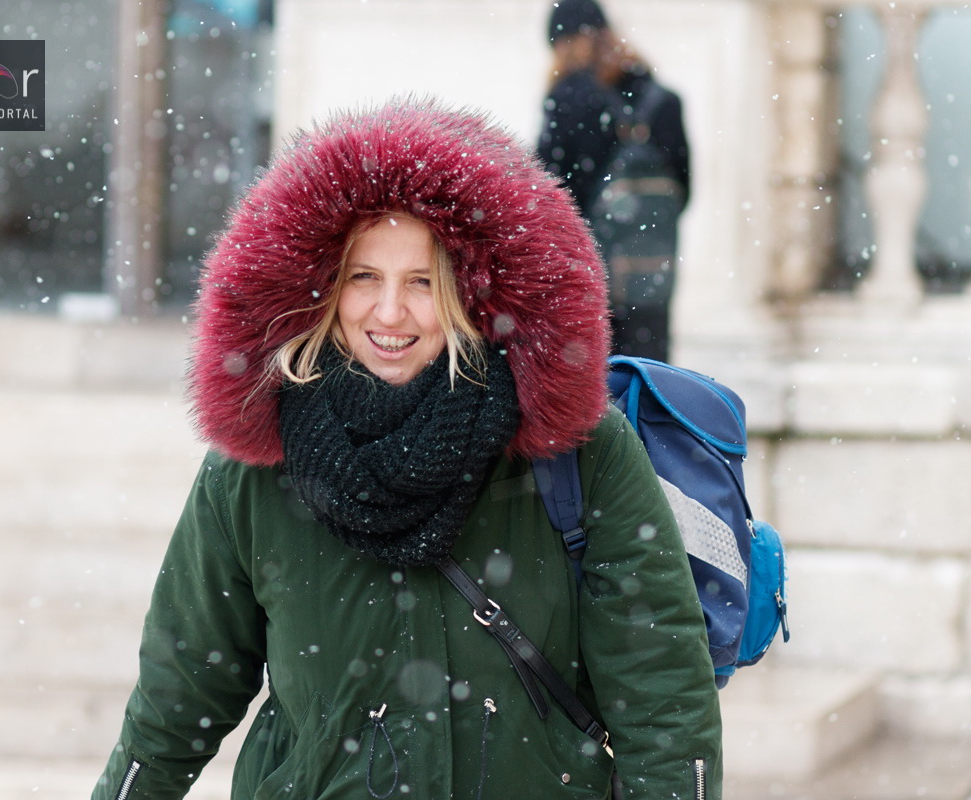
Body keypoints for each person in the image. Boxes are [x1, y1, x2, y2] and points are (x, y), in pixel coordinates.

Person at [92, 98, 721, 800]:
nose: (389, 314)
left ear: (473, 294)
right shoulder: (255, 470)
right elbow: (177, 699)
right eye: (364, 277)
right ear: (324, 287)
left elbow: (661, 694)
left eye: (424, 282)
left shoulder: (579, 454)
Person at [538, 0, 691, 363]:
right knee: (648, 373)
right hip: (649, 266)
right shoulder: (662, 101)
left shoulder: (567, 100)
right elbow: (683, 190)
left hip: (587, 274)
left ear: (566, 43)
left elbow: (547, 192)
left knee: (593, 383)